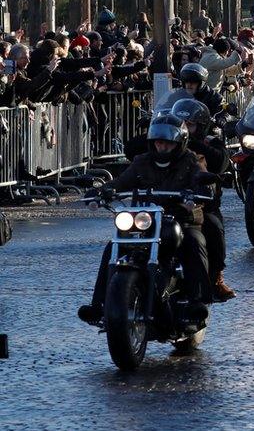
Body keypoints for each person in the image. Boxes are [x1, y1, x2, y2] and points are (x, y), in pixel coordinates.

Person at [78, 114, 211, 324]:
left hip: (182, 218)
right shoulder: (142, 161)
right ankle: (99, 304)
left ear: (179, 143)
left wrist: (198, 192)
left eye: (167, 143)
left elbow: (203, 180)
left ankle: (197, 301)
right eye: (159, 142)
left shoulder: (192, 160)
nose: (162, 147)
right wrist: (101, 192)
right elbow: (122, 182)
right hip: (145, 220)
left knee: (194, 242)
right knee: (112, 246)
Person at [171, 98, 236, 301]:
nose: (184, 129)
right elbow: (135, 155)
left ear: (200, 125)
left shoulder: (209, 142)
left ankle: (216, 277)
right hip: (168, 203)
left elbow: (221, 161)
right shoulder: (167, 142)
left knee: (214, 228)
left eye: (189, 124)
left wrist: (194, 142)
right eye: (181, 124)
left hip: (202, 205)